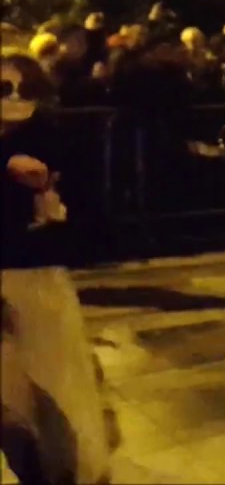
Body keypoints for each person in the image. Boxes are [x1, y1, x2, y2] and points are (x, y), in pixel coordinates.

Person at [1, 53, 119, 484]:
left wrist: (53, 201)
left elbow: (90, 228)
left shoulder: (52, 140)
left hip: (36, 280)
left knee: (51, 394)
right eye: (4, 89)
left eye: (25, 89)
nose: (15, 100)